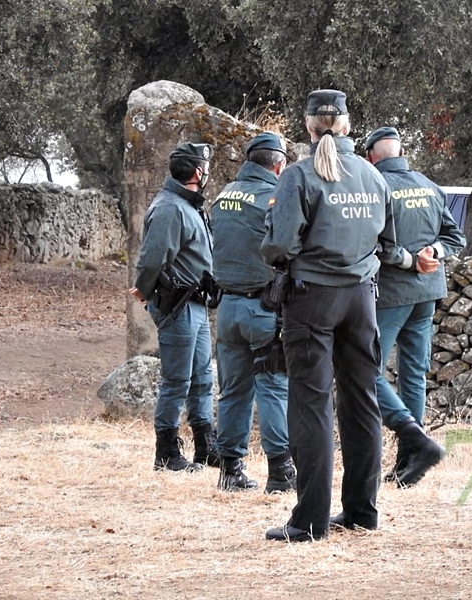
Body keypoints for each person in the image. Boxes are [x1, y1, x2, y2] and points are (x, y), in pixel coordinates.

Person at [259, 90, 428, 543]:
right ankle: (361, 512)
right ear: (349, 126)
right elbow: (389, 246)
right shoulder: (373, 177)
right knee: (362, 403)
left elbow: (279, 246)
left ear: (309, 126)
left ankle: (309, 521)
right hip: (362, 299)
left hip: (312, 298)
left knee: (312, 405)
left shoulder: (297, 176)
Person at [363, 126, 466, 488]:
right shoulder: (428, 184)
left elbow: (379, 244)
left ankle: (414, 442)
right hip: (428, 292)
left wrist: (411, 260)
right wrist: (433, 253)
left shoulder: (376, 186)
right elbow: (456, 237)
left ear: (373, 155)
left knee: (365, 369)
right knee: (413, 375)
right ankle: (409, 461)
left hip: (392, 294)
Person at [209, 132, 296, 493]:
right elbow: (288, 247)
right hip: (264, 307)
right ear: (278, 165)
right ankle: (281, 472)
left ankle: (230, 469)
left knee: (233, 391)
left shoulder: (223, 196)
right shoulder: (273, 197)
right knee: (273, 387)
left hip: (226, 308)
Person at [129, 142, 221, 473]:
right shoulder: (171, 208)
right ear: (198, 172)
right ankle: (166, 452)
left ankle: (205, 447)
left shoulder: (189, 205)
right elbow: (153, 257)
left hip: (195, 304)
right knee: (177, 380)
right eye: (205, 167)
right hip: (179, 306)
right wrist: (144, 290)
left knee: (201, 378)